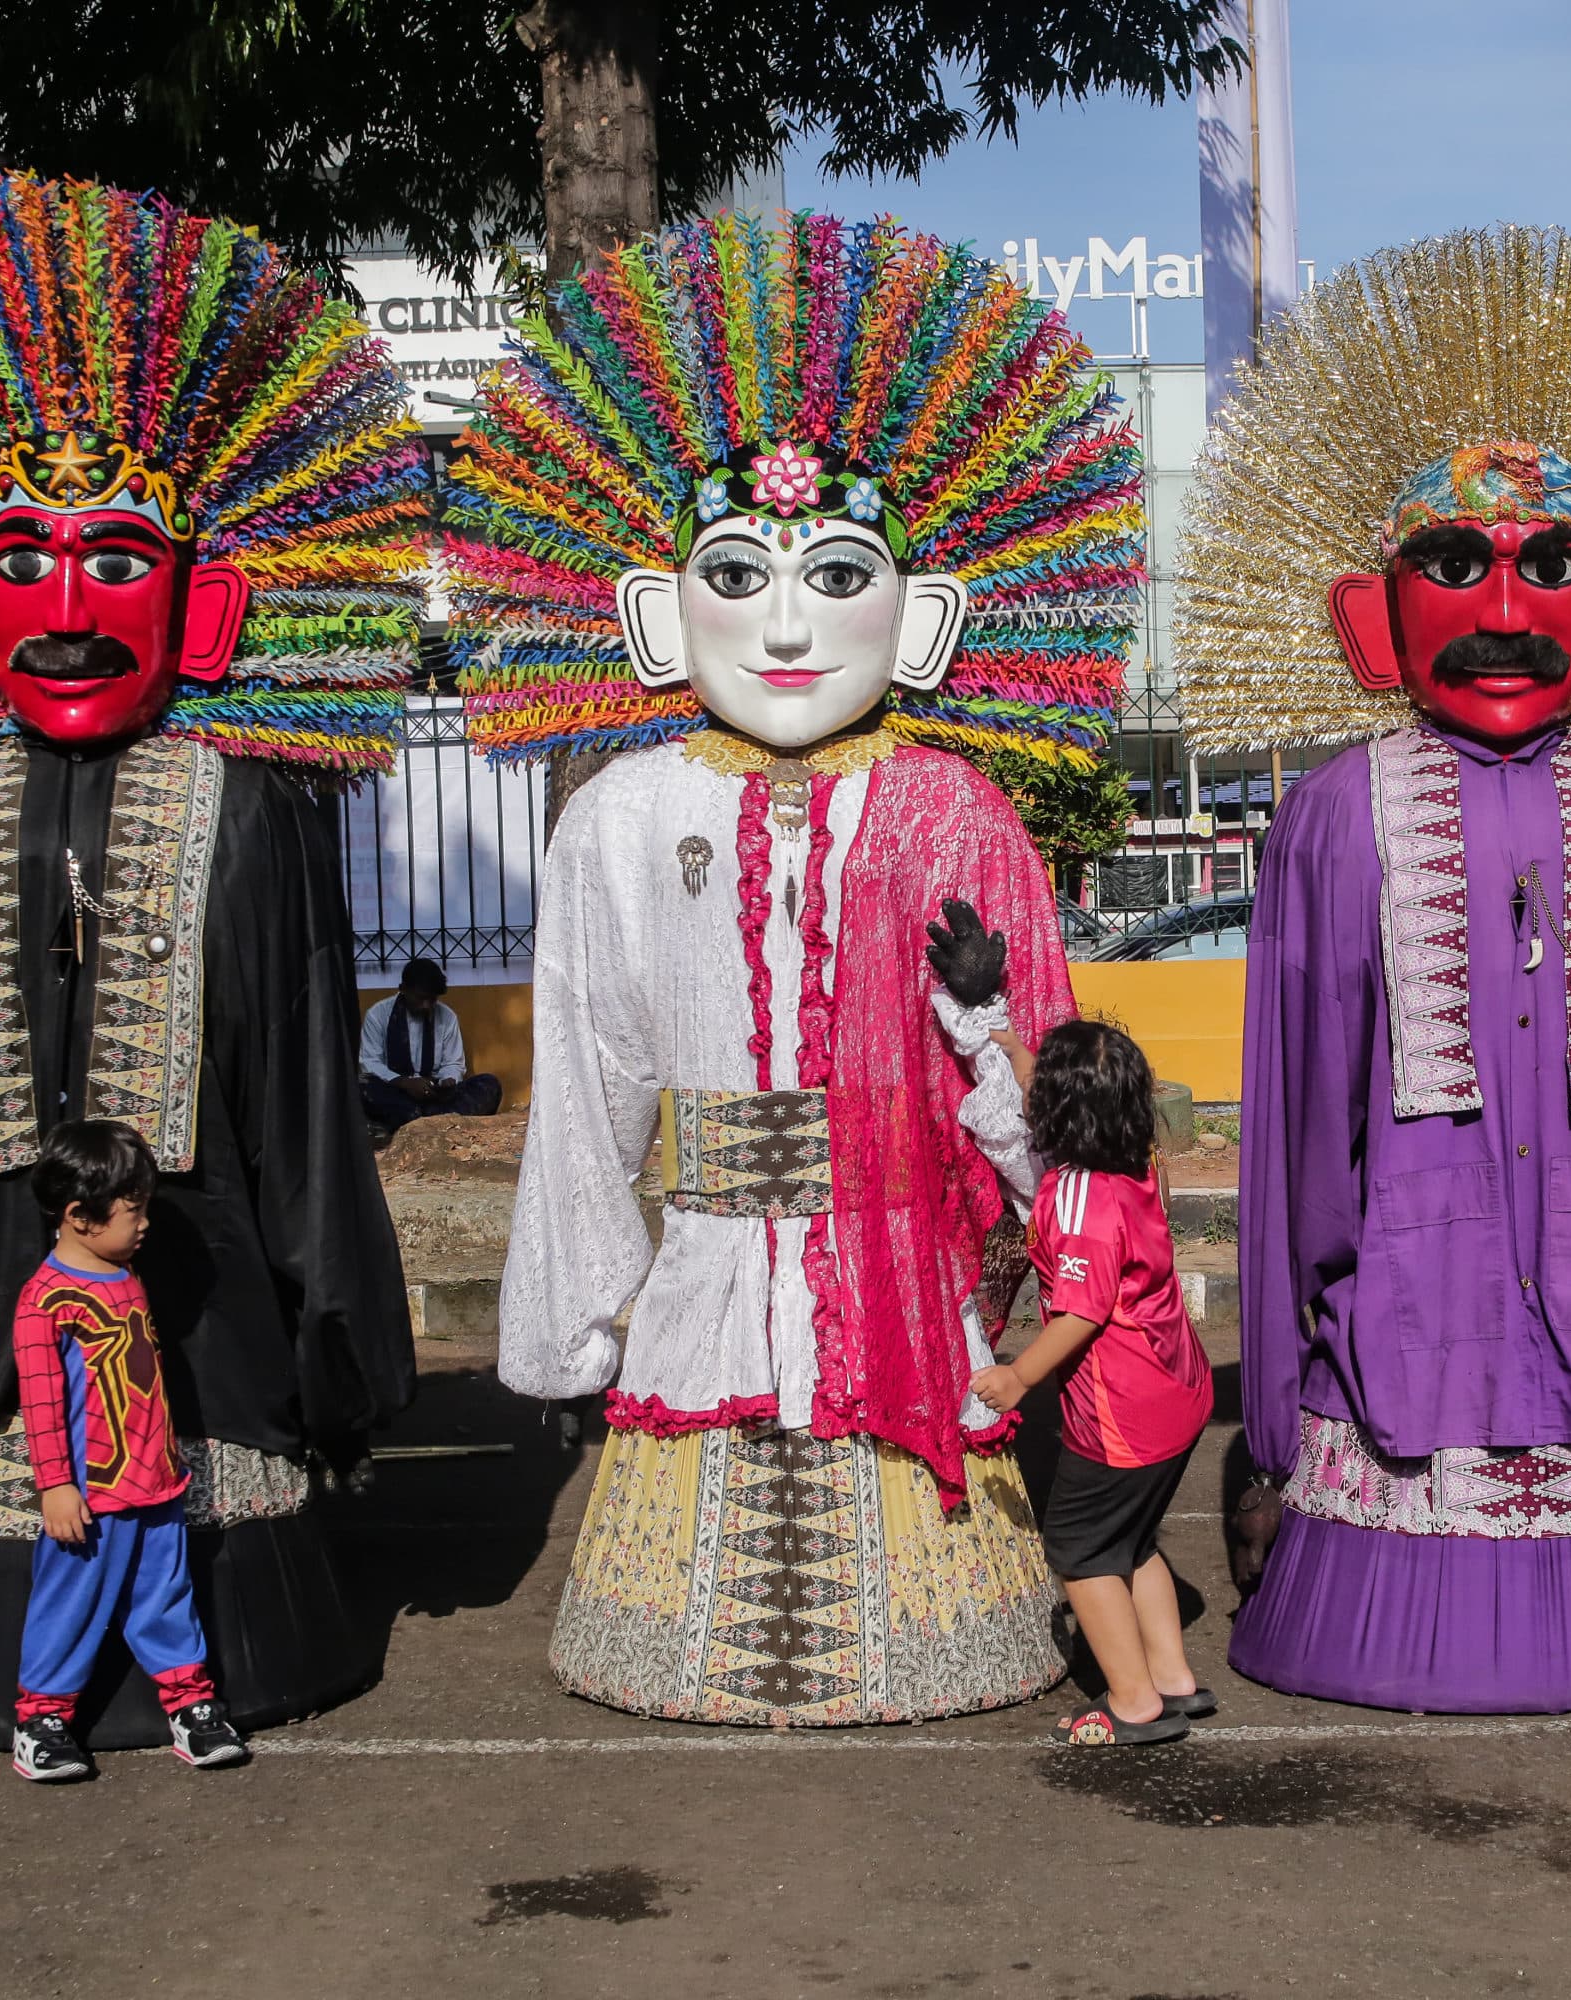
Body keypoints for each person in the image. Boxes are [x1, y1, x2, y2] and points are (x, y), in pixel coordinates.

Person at [0, 174, 424, 1750]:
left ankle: (195, 1675)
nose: (64, 607)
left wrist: (337, 1354)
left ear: (207, 602)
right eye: (19, 563)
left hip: (215, 1335)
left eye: (117, 562)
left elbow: (309, 1097)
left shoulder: (250, 811)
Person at [450, 213, 1146, 1725]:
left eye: (837, 574)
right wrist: (585, 1312)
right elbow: (583, 1090)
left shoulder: (958, 809)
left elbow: (1040, 1066)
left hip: (903, 1258)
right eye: (734, 576)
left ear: (926, 620)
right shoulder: (620, 817)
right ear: (652, 612)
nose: (781, 625)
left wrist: (1016, 1137)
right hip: (702, 1267)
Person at [1174, 227, 1571, 1714]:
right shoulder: (1341, 814)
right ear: (1372, 610)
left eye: (1557, 567)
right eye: (1456, 565)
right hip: (1409, 1330)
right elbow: (1296, 1138)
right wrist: (1274, 1433)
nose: (1512, 610)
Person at [971, 1019, 1217, 1748]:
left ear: (1056, 1117)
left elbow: (1080, 1311)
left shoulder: (1076, 1199)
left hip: (1126, 1410)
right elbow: (1067, 1103)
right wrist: (1018, 1055)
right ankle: (1172, 1678)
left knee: (1080, 1546)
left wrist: (1018, 1375)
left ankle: (1133, 1702)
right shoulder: (1130, 1166)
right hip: (1180, 1391)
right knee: (1132, 1540)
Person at [10, 1120, 248, 1780]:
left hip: (157, 1486)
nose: (144, 1222)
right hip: (90, 1499)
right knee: (71, 1606)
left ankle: (192, 1709)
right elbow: (40, 1403)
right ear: (79, 1217)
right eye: (133, 1209)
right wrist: (56, 1486)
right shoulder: (44, 1303)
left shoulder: (127, 1277)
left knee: (167, 1599)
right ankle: (41, 1722)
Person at [359, 959, 504, 1132]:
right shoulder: (378, 1015)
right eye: (420, 998)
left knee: (489, 1084)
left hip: (436, 1097)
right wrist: (404, 1083)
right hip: (396, 1093)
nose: (426, 1005)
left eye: (432, 999)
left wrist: (447, 1081)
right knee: (362, 1086)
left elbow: (453, 1064)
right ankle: (435, 1121)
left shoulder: (447, 1017)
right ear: (403, 989)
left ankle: (420, 1121)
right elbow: (370, 1063)